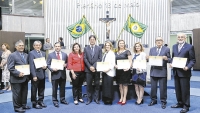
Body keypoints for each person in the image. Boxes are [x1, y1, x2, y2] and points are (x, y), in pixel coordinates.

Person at [170, 33, 196, 113]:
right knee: (177, 89)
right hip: (176, 71)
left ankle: (186, 106)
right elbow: (173, 58)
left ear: (185, 38)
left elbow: (193, 60)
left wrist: (188, 67)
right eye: (179, 37)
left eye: (182, 37)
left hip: (185, 72)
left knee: (185, 90)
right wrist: (171, 63)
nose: (180, 38)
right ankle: (180, 103)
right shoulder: (174, 46)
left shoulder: (190, 47)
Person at [147, 37, 171, 109]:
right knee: (153, 88)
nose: (158, 41)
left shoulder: (166, 49)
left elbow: (170, 59)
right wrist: (147, 58)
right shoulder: (151, 49)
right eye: (157, 40)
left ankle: (163, 101)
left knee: (163, 88)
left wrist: (166, 58)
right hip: (153, 71)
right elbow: (149, 60)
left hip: (162, 70)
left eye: (160, 40)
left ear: (162, 41)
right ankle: (153, 100)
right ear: (155, 42)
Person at [7, 40, 30, 112]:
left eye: (22, 45)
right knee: (17, 94)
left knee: (24, 92)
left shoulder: (26, 55)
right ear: (16, 47)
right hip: (16, 78)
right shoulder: (12, 55)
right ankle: (17, 107)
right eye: (20, 45)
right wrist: (18, 73)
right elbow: (10, 67)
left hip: (25, 78)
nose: (21, 47)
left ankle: (23, 105)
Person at [47, 42, 68, 107]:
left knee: (62, 88)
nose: (57, 47)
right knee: (54, 89)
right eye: (56, 46)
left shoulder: (64, 54)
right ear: (54, 47)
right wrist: (52, 69)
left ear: (61, 47)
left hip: (62, 74)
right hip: (55, 74)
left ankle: (62, 99)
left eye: (58, 46)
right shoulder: (50, 55)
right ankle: (55, 100)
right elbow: (48, 64)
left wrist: (66, 65)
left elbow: (67, 62)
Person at [84, 35, 102, 105]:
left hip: (96, 69)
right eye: (91, 39)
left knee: (97, 85)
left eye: (93, 39)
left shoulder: (99, 48)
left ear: (95, 40)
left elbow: (100, 58)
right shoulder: (86, 48)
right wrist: (90, 67)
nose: (92, 40)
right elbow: (85, 59)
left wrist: (94, 66)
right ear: (89, 40)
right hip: (88, 70)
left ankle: (96, 99)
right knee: (89, 85)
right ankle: (89, 99)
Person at [29, 41, 47, 109]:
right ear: (33, 46)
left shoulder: (43, 53)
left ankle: (40, 101)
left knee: (42, 89)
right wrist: (34, 75)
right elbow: (31, 65)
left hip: (42, 74)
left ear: (41, 46)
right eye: (36, 45)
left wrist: (45, 67)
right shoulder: (31, 53)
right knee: (34, 89)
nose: (38, 46)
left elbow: (44, 63)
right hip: (35, 75)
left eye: (39, 45)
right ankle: (34, 103)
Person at [115, 40, 132, 105]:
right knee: (120, 85)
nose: (121, 44)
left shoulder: (127, 52)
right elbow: (114, 61)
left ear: (124, 44)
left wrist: (128, 67)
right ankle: (121, 97)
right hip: (118, 71)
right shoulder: (116, 52)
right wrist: (115, 65)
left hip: (125, 71)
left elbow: (130, 61)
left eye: (123, 43)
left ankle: (124, 98)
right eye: (120, 43)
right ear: (118, 44)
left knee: (125, 85)